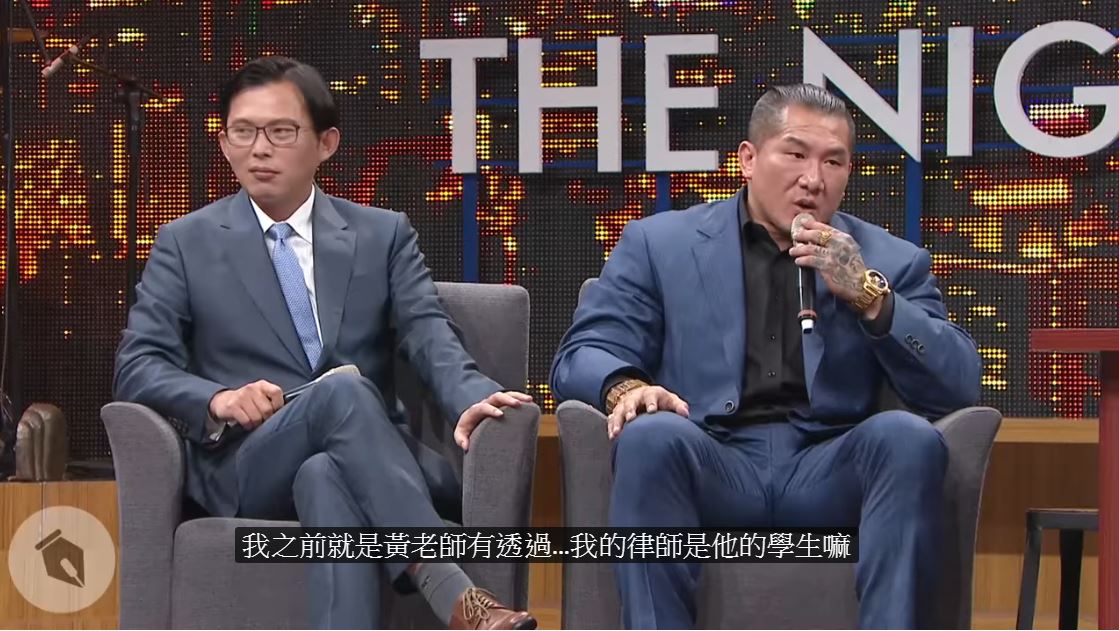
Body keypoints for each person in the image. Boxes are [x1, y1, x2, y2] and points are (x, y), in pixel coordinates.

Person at [114, 56, 536, 631]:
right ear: (225, 143)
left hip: (366, 455)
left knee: (325, 474)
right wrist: (218, 399)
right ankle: (451, 589)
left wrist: (472, 395)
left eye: (280, 132)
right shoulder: (185, 243)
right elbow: (138, 365)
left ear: (326, 143)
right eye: (243, 132)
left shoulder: (381, 234)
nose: (259, 149)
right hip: (249, 460)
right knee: (344, 390)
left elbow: (428, 331)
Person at [550, 83, 983, 629]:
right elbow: (581, 354)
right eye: (795, 154)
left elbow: (958, 384)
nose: (813, 179)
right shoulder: (660, 245)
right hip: (710, 458)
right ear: (748, 160)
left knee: (907, 438)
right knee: (651, 436)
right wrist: (628, 389)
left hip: (829, 467)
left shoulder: (888, 261)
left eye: (833, 162)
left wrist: (871, 298)